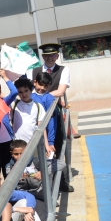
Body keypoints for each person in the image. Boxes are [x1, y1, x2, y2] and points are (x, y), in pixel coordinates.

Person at [29, 43, 73, 192]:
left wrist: (40, 96)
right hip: (34, 115)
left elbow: (60, 91)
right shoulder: (33, 71)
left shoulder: (63, 70)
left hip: (53, 113)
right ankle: (38, 185)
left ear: (57, 56)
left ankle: (61, 182)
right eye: (47, 55)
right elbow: (26, 90)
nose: (50, 58)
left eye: (53, 55)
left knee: (57, 146)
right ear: (42, 56)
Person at [10, 78, 48, 152]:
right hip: (18, 147)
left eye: (26, 91)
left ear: (31, 90)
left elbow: (42, 128)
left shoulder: (38, 106)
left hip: (33, 145)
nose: (24, 94)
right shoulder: (14, 104)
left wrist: (46, 145)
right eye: (20, 92)